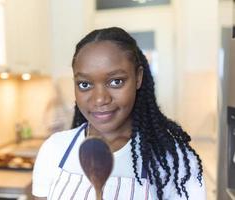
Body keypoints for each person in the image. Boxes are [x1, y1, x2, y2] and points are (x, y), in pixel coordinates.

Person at [32, 27, 206, 200]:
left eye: (116, 81)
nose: (100, 99)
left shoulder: (174, 162)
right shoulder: (55, 149)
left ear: (138, 78)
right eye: (85, 84)